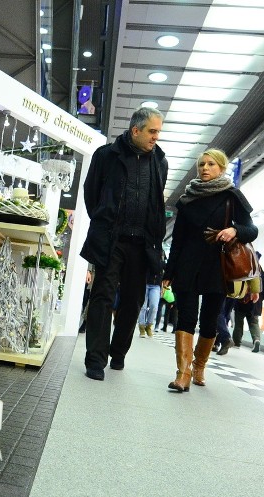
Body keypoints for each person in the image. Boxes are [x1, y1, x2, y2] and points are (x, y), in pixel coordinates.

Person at [80, 107, 167, 381]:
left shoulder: (160, 162)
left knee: (133, 301)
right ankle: (96, 358)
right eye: (152, 131)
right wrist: (103, 220)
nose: (156, 137)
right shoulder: (106, 155)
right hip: (112, 239)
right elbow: (91, 193)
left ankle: (118, 352)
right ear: (135, 130)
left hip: (143, 243)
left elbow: (156, 200)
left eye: (158, 132)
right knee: (102, 296)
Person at [163, 148, 258, 392]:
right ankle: (182, 373)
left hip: (218, 265)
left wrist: (235, 230)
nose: (205, 168)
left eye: (211, 164)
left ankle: (199, 366)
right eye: (202, 165)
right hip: (187, 264)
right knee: (186, 317)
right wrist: (168, 273)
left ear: (222, 168)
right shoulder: (187, 199)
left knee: (209, 319)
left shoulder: (232, 196)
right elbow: (178, 240)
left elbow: (251, 230)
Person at [233, 257, 264, 353]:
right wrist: (260, 300)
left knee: (239, 323)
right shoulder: (263, 274)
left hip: (242, 301)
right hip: (255, 303)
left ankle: (237, 342)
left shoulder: (245, 269)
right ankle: (256, 340)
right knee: (254, 323)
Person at [138, 272, 162, 337]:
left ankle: (148, 326)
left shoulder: (162, 261)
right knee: (143, 306)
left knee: (154, 306)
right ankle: (141, 327)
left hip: (156, 285)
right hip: (144, 282)